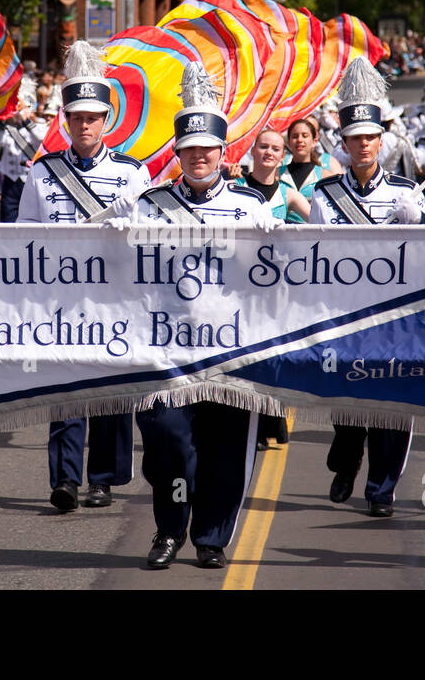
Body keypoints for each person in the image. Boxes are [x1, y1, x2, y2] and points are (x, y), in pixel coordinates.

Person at [111, 63, 277, 569]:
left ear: (223, 154)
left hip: (233, 349)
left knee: (226, 450)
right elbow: (117, 271)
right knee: (167, 439)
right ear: (178, 153)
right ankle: (168, 528)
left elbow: (281, 275)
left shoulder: (252, 206)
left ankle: (210, 536)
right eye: (190, 149)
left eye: (208, 149)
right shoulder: (150, 205)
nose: (199, 156)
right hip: (165, 350)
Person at [18, 40, 149, 511]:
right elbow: (23, 237)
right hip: (62, 298)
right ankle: (65, 479)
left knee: (110, 392)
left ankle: (104, 477)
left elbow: (151, 241)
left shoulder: (134, 174)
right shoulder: (42, 174)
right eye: (77, 117)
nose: (85, 124)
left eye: (93, 117)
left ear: (106, 120)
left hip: (114, 298)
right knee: (67, 391)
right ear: (66, 121)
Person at [309, 58, 425, 517]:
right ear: (342, 144)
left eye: (370, 138)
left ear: (381, 142)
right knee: (348, 407)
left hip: (395, 317)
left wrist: (419, 220)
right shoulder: (326, 195)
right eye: (354, 139)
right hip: (345, 315)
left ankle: (381, 489)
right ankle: (346, 461)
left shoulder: (406, 190)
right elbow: (312, 257)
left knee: (392, 405)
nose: (363, 145)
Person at [232, 128, 310, 223]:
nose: (269, 152)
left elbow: (323, 223)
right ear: (253, 151)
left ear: (282, 156)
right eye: (263, 147)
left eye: (275, 149)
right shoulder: (232, 187)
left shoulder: (288, 194)